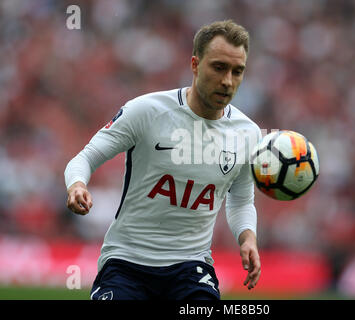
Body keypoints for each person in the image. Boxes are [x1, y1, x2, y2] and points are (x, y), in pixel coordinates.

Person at [65, 20, 262, 300]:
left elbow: (241, 199)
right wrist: (76, 184)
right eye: (219, 67)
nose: (228, 81)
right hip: (126, 262)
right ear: (195, 64)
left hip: (191, 267)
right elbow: (84, 158)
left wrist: (248, 238)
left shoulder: (247, 133)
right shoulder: (147, 111)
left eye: (237, 71)